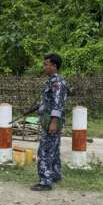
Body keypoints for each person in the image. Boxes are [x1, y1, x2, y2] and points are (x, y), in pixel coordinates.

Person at [31, 53, 69, 191]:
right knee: (54, 149)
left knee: (45, 151)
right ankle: (55, 174)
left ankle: (45, 181)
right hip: (49, 120)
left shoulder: (57, 82)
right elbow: (49, 101)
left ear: (54, 66)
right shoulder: (53, 81)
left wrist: (53, 121)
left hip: (52, 122)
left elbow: (58, 103)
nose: (44, 67)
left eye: (46, 64)